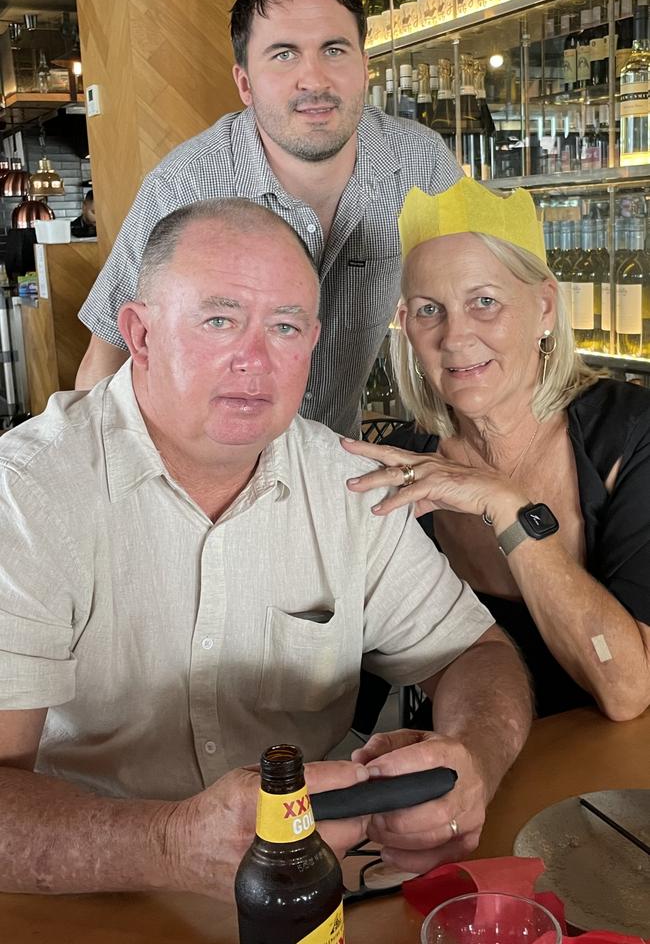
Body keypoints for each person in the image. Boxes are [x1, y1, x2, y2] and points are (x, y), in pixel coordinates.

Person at [0, 198, 532, 899]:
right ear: (141, 334)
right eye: (219, 319)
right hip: (94, 899)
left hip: (330, 886)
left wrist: (473, 763)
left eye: (283, 326)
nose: (254, 358)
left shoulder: (345, 481)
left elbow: (478, 654)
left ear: (311, 341)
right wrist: (168, 844)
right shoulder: (28, 493)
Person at [74, 0, 462, 435]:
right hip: (202, 471)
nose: (314, 79)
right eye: (283, 54)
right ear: (245, 83)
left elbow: (472, 314)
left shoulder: (420, 163)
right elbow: (105, 359)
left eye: (334, 50)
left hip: (333, 464)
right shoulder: (186, 186)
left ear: (364, 66)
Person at [343, 179, 650, 722]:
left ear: (545, 307)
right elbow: (352, 691)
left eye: (484, 302)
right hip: (464, 768)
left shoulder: (629, 434)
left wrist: (509, 508)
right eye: (428, 309)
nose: (455, 337)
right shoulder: (398, 465)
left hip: (605, 789)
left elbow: (627, 688)